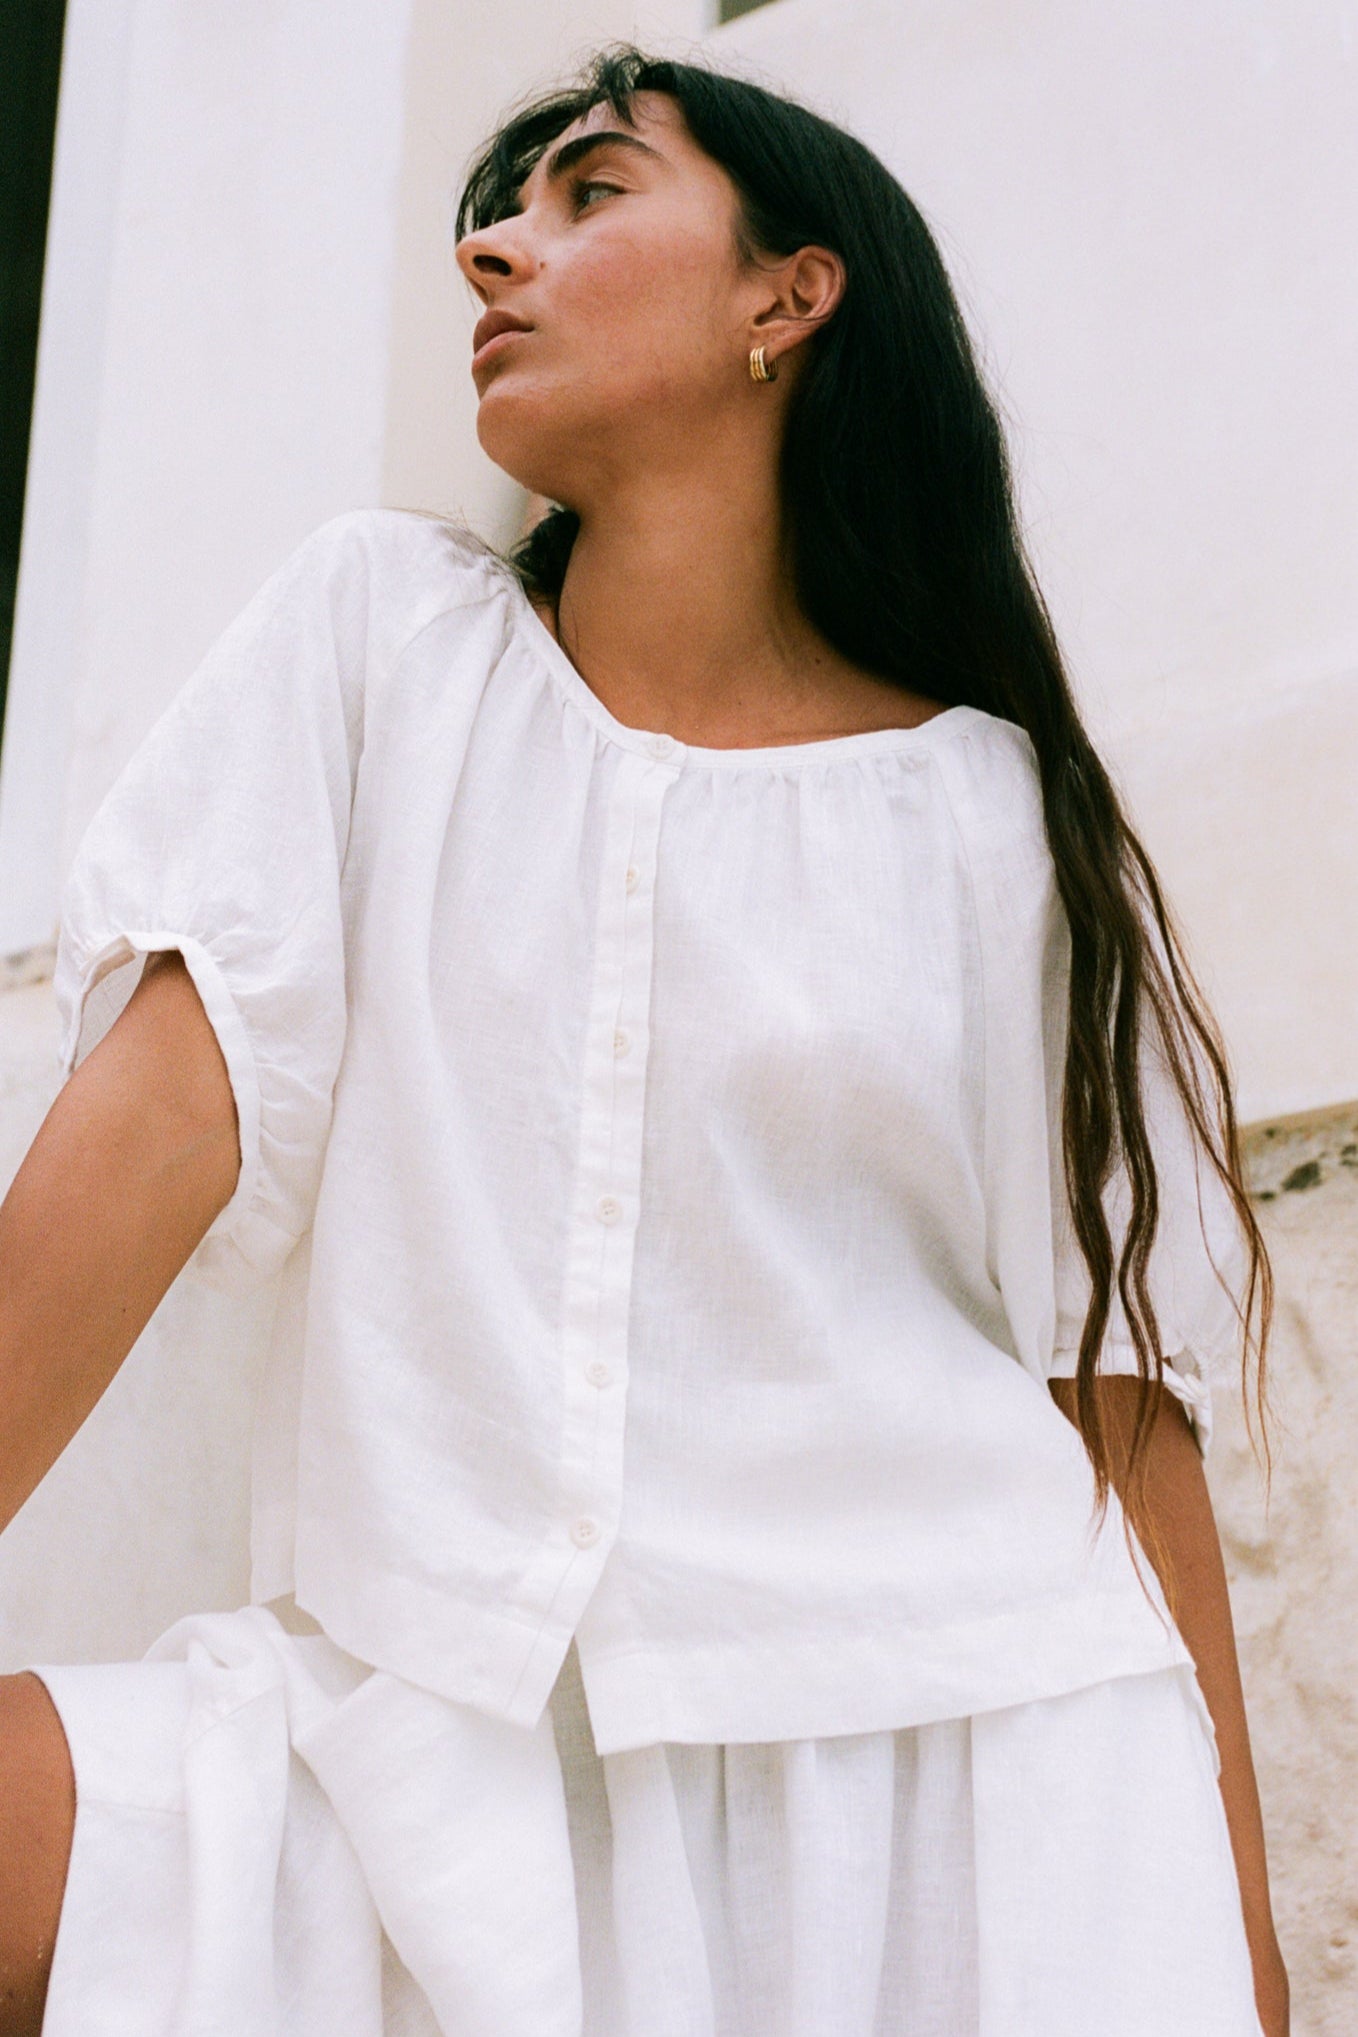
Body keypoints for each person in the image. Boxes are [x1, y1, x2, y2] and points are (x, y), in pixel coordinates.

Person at [0, 44, 1288, 2037]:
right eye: (503, 207)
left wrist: (1251, 1970)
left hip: (962, 1770)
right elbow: (167, 1119)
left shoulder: (993, 824)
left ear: (791, 292)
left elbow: (1118, 1410)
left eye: (589, 193)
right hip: (428, 1733)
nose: (489, 245)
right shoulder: (377, 653)